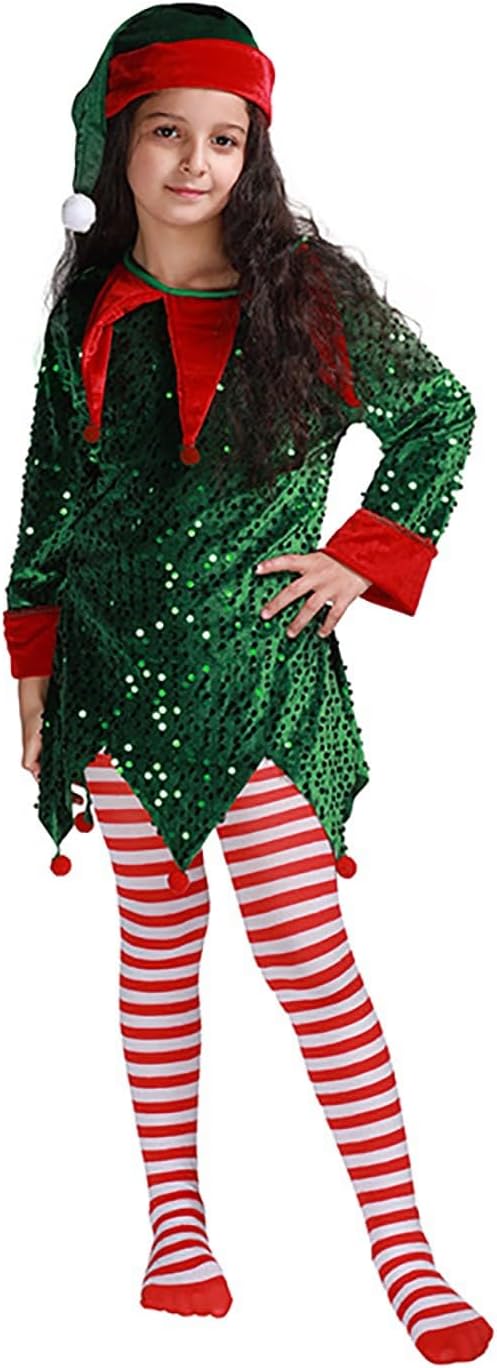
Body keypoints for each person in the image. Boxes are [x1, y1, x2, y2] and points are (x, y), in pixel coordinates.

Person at [2, 2, 492, 1357]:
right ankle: (178, 1220)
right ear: (118, 143)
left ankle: (404, 1251)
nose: (194, 162)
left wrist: (361, 559)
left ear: (253, 152)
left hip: (262, 674)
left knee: (307, 954)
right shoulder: (87, 308)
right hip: (113, 671)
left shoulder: (309, 294)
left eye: (224, 138)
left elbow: (439, 414)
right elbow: (49, 503)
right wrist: (31, 665)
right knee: (156, 943)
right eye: (167, 133)